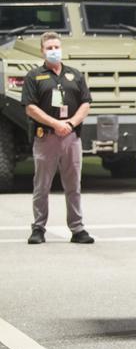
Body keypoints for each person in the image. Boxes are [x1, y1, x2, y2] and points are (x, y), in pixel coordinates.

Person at [24, 32, 93, 245]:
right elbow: (30, 107)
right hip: (46, 139)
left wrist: (70, 123)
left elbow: (86, 103)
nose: (54, 51)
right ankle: (38, 228)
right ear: (42, 51)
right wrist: (55, 124)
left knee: (73, 185)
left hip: (71, 138)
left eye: (56, 47)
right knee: (42, 186)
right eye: (49, 48)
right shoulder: (34, 77)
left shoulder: (75, 75)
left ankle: (77, 229)